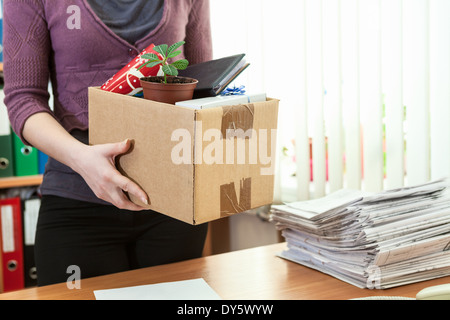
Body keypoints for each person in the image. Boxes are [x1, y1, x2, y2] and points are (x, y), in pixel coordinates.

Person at [3, 0, 213, 286]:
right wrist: (82, 159)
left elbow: (202, 85)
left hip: (172, 203)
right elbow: (23, 99)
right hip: (77, 201)